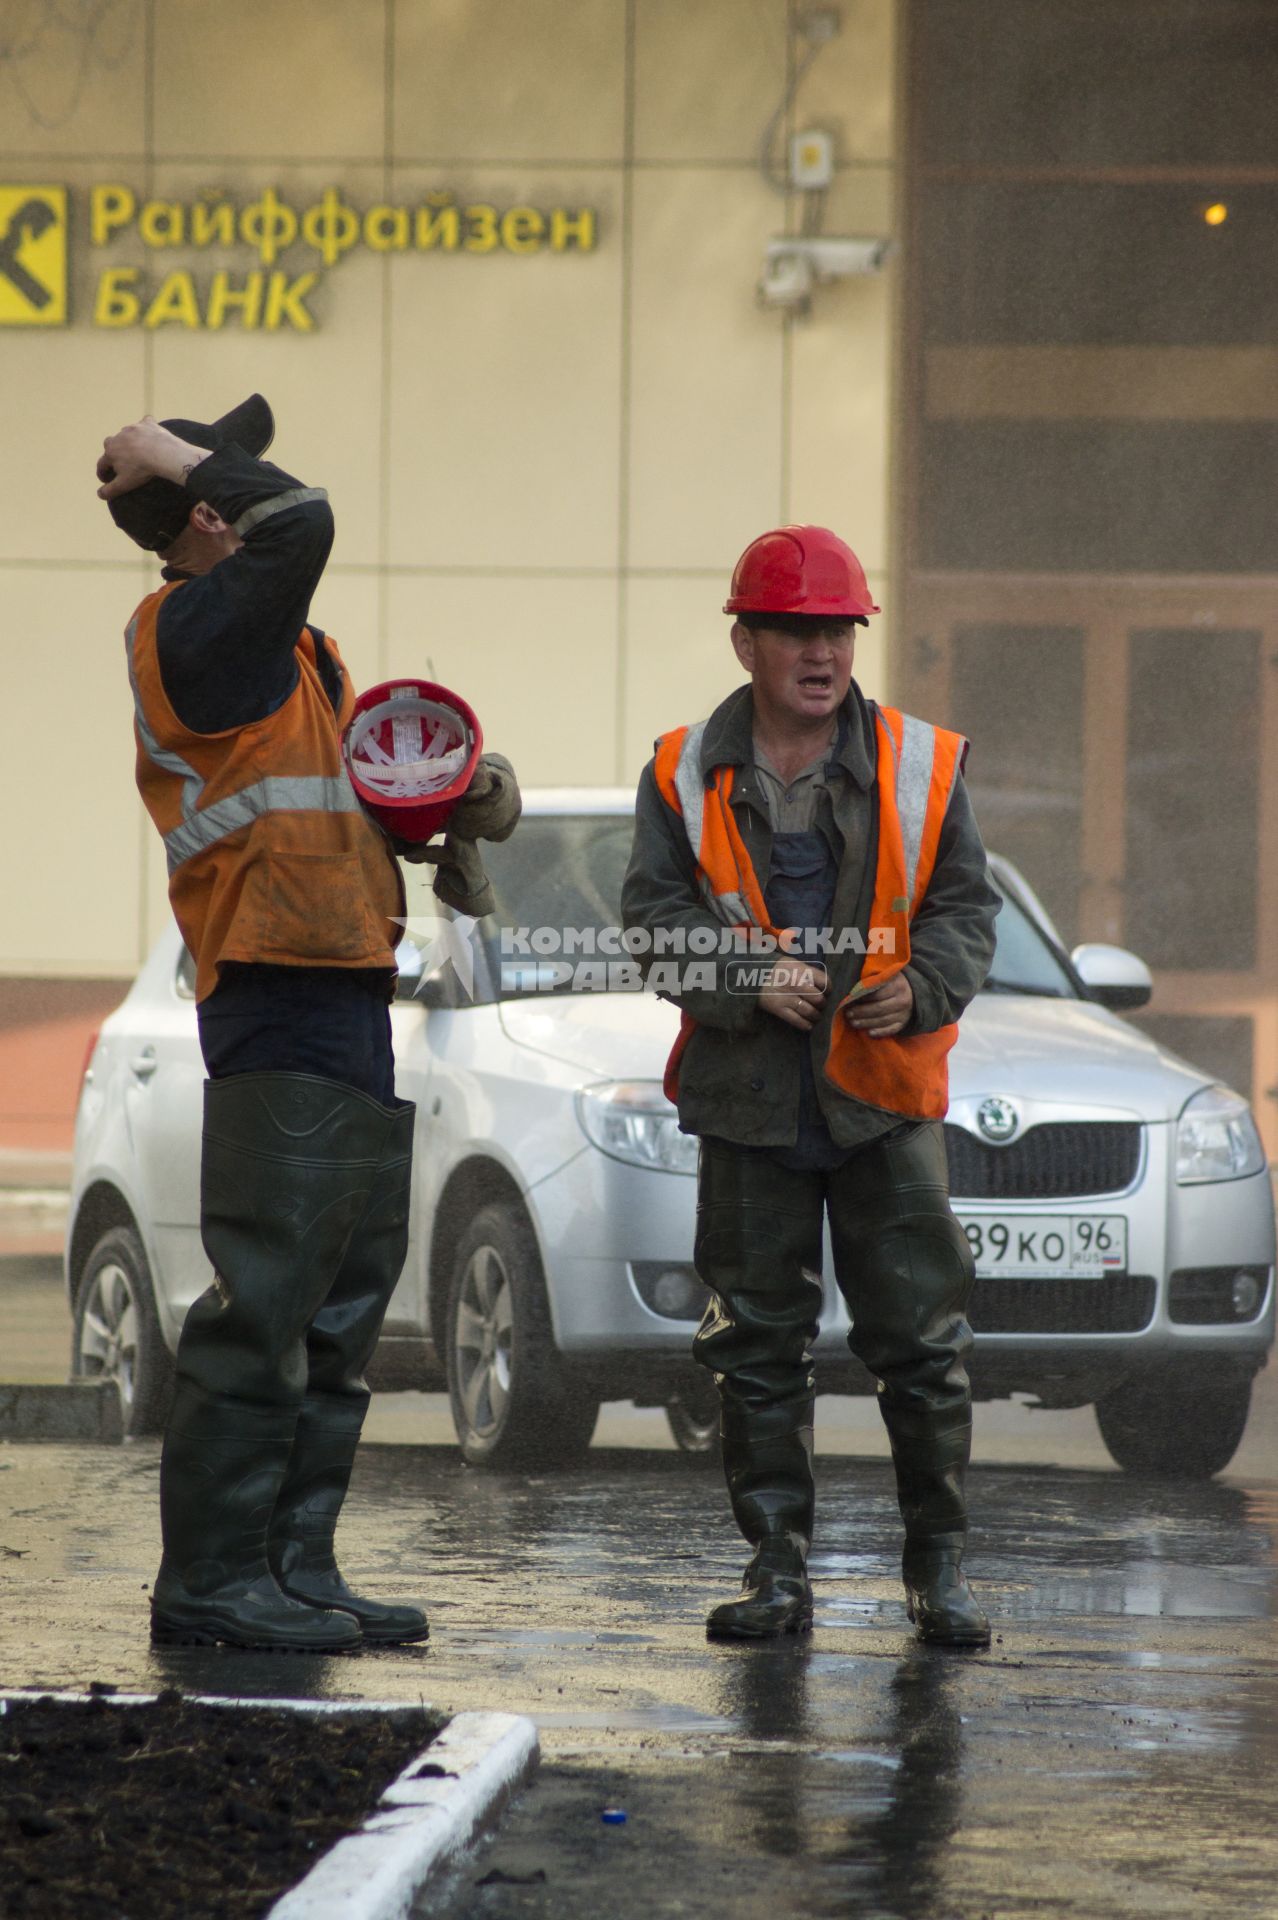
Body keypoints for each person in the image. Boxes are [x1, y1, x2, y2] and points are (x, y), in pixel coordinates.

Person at [98, 396, 514, 1651]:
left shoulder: (287, 653)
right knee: (269, 1299)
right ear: (203, 514)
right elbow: (307, 516)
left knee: (336, 1300)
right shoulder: (197, 629)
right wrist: (165, 450)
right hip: (272, 983)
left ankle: (294, 1568)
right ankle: (215, 1584)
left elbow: (318, 805)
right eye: (221, 474)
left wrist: (439, 809)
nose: (245, 485)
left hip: (338, 976)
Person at [621, 525, 1000, 1646]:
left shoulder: (920, 762)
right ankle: (777, 1574)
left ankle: (938, 1580)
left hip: (880, 1097)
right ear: (746, 641)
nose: (822, 651)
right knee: (755, 1344)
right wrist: (747, 975)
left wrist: (925, 985)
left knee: (922, 1348)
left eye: (838, 629)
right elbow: (653, 927)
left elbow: (964, 912)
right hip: (750, 1103)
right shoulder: (682, 769)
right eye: (796, 630)